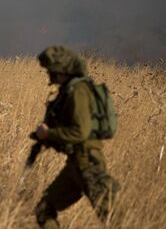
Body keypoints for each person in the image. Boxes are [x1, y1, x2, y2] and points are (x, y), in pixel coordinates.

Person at [34, 45, 120, 229]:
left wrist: (48, 133)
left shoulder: (78, 91)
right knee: (44, 209)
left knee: (113, 219)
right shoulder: (68, 90)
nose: (49, 73)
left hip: (88, 163)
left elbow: (79, 132)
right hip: (75, 164)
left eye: (52, 69)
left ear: (62, 69)